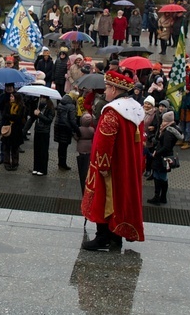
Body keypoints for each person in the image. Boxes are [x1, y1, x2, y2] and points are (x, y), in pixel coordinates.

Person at [81, 71, 145, 251]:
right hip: (127, 165)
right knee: (120, 199)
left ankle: (102, 236)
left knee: (104, 200)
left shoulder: (111, 112)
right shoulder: (137, 109)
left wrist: (102, 165)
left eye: (108, 87)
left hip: (110, 166)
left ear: (115, 89)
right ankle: (117, 237)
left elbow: (104, 141)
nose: (105, 91)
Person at [147, 111, 182, 205]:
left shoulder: (168, 132)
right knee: (163, 177)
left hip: (162, 158)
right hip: (166, 157)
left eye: (163, 120)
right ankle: (162, 197)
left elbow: (166, 147)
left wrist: (156, 153)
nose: (162, 122)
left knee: (158, 177)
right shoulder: (173, 129)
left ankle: (157, 197)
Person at [0, 92, 25, 171]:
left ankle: (15, 163)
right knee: (6, 147)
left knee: (15, 148)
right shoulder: (7, 105)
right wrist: (12, 117)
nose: (11, 98)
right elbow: (4, 115)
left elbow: (20, 119)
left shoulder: (21, 107)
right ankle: (6, 162)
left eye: (12, 97)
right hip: (8, 128)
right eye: (10, 96)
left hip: (16, 130)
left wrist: (11, 117)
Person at [31, 96, 55, 176]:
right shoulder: (39, 106)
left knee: (43, 151)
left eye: (42, 97)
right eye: (40, 97)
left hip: (44, 131)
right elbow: (33, 118)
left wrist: (39, 115)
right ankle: (36, 167)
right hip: (37, 130)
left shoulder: (50, 108)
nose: (41, 99)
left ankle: (43, 169)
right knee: (36, 150)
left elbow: (49, 120)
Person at [54, 94, 79, 171]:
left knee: (61, 146)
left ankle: (60, 163)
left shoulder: (60, 103)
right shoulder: (71, 106)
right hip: (66, 128)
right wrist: (77, 130)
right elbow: (72, 120)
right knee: (64, 147)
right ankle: (63, 164)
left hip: (58, 126)